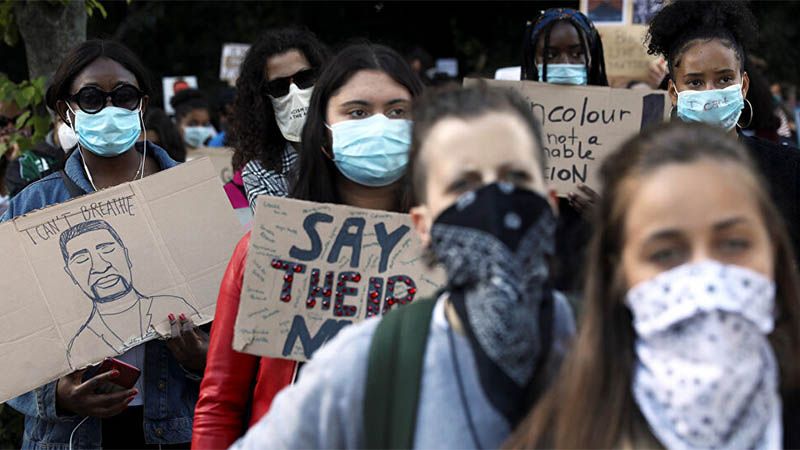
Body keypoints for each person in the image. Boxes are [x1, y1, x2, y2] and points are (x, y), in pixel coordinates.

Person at [231, 84, 575, 449]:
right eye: (463, 185)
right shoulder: (365, 364)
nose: (494, 200)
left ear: (551, 204)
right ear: (423, 226)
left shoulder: (617, 346)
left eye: (515, 178)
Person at [506, 121, 800, 449]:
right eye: (665, 253)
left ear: (773, 248)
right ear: (617, 271)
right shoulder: (560, 436)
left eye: (733, 244)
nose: (705, 277)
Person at [192, 42, 423, 449]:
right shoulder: (264, 250)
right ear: (324, 133)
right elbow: (220, 405)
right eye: (357, 112)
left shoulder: (453, 252)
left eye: (397, 111)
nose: (379, 125)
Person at [2, 39, 205, 450]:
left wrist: (202, 359)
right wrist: (54, 396)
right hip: (68, 437)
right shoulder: (31, 207)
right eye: (92, 98)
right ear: (66, 111)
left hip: (174, 433)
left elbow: (236, 333)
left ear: (143, 104)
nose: (110, 109)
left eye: (124, 96)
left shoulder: (192, 196)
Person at [646, 0, 800, 261]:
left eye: (725, 79)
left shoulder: (790, 170)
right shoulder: (649, 179)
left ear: (743, 85)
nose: (711, 93)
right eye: (695, 82)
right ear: (674, 93)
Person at [521, 7, 608, 298]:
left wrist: (606, 215)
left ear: (592, 57)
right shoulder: (511, 130)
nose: (565, 63)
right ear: (533, 60)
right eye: (550, 55)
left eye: (576, 53)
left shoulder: (623, 128)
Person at [61, 219, 200, 369]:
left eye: (107, 250)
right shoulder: (78, 345)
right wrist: (57, 393)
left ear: (126, 255)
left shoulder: (174, 306)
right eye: (82, 260)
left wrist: (208, 362)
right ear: (70, 274)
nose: (100, 267)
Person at [229, 27, 328, 209]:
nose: (294, 91)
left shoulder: (354, 142)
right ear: (262, 98)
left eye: (304, 78)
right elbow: (283, 234)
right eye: (279, 87)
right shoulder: (259, 174)